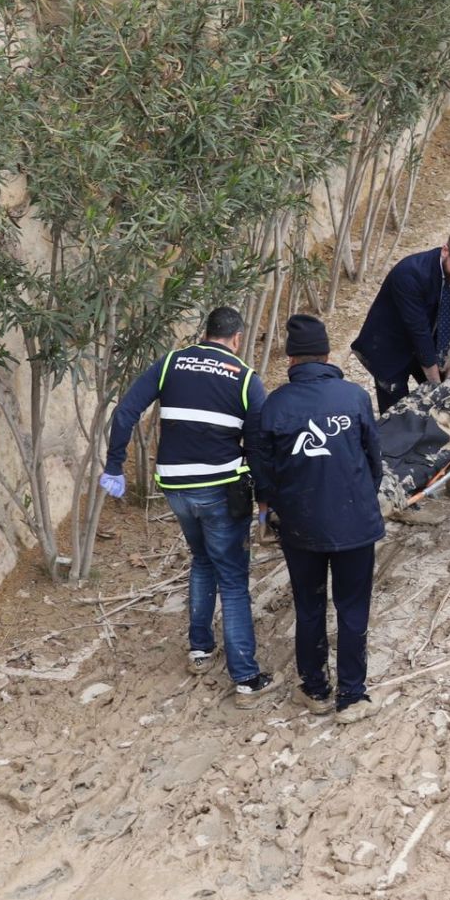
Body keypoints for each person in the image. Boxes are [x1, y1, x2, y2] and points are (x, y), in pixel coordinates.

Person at [99, 307, 275, 707]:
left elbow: (125, 411)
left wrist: (115, 466)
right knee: (232, 578)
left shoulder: (171, 363)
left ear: (206, 333)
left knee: (200, 560)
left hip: (175, 487)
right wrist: (265, 500)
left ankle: (200, 649)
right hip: (220, 490)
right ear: (237, 339)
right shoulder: (246, 379)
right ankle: (246, 678)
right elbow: (260, 447)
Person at [245, 314, 385, 723]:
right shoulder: (354, 397)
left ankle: (316, 689)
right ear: (326, 354)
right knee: (352, 606)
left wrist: (270, 510)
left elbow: (264, 472)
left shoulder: (274, 406)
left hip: (302, 527)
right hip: (355, 524)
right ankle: (352, 695)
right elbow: (374, 461)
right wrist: (358, 497)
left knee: (308, 605)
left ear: (291, 361)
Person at [349, 225, 450, 518]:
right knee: (401, 424)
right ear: (445, 250)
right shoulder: (410, 274)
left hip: (428, 342)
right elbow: (417, 331)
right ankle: (401, 498)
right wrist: (435, 384)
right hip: (388, 349)